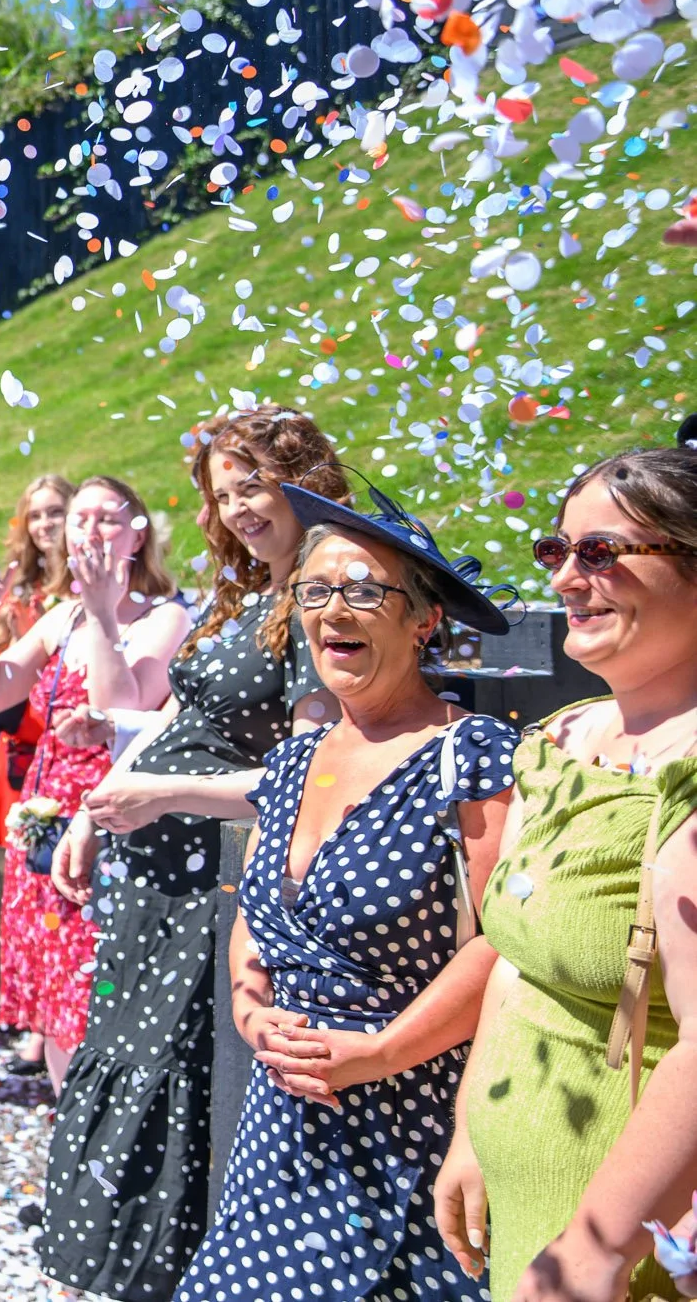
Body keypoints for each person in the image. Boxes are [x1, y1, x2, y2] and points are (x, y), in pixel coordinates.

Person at [175, 489, 519, 1302]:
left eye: (365, 589)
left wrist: (381, 1050)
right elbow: (256, 921)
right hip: (282, 1129)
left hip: (415, 1125)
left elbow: (504, 941)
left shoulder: (471, 754)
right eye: (316, 590)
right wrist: (254, 1011)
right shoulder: (294, 762)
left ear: (423, 621)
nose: (336, 608)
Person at [40, 409, 344, 1300]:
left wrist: (164, 794)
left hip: (213, 890)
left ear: (301, 476)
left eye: (252, 482)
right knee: (133, 1065)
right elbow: (180, 717)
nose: (239, 506)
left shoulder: (322, 597)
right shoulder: (244, 593)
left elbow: (312, 776)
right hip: (150, 885)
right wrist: (99, 810)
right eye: (223, 492)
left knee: (192, 1090)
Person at [437, 448, 697, 1302]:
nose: (565, 580)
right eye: (558, 552)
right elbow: (518, 962)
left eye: (600, 553)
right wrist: (472, 1129)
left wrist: (592, 1248)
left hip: (627, 1241)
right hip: (528, 1208)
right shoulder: (560, 741)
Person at [0, 475, 190, 1088]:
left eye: (107, 518)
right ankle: (69, 1124)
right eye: (80, 518)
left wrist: (102, 614)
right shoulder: (61, 616)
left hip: (112, 821)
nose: (90, 529)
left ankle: (102, 1131)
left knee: (98, 982)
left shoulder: (165, 617)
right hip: (44, 822)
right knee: (56, 992)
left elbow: (122, 709)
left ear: (138, 535)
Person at [0, 473, 74, 1079]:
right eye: (35, 515)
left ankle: (52, 1026)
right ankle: (36, 1019)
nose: (45, 525)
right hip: (21, 753)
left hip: (70, 753)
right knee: (22, 886)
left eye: (55, 512)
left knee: (58, 888)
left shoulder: (86, 593)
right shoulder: (19, 593)